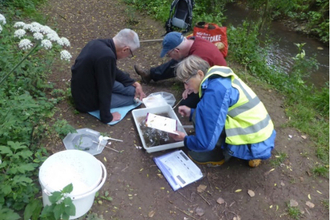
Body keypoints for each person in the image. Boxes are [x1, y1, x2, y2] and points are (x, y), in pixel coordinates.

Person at [170, 55, 276, 168]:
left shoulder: (214, 92)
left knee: (200, 116)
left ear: (200, 74)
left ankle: (219, 155)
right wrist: (191, 112)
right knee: (200, 113)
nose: (186, 87)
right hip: (262, 133)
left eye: (186, 82)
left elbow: (205, 144)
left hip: (254, 142)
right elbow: (219, 111)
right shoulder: (219, 77)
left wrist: (184, 139)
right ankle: (249, 152)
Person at [71, 29, 146, 124]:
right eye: (130, 53)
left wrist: (134, 83)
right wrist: (107, 116)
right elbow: (104, 88)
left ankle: (131, 88)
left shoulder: (97, 43)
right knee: (134, 99)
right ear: (125, 49)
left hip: (87, 84)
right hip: (86, 100)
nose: (128, 56)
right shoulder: (107, 56)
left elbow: (112, 70)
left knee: (133, 90)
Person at [134, 31, 227, 108]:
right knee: (176, 61)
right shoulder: (190, 41)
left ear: (177, 50)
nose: (169, 56)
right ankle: (150, 74)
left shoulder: (199, 57)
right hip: (199, 69)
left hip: (215, 80)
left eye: (169, 54)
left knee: (185, 104)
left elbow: (201, 78)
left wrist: (189, 87)